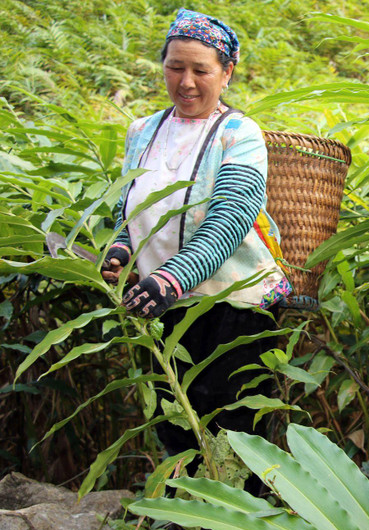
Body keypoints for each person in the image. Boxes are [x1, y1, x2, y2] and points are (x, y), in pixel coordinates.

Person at [100, 9, 291, 461]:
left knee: (233, 426)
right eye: (175, 67)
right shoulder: (142, 131)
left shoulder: (238, 134)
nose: (186, 82)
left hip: (233, 304)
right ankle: (184, 520)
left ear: (226, 73)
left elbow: (232, 216)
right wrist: (123, 250)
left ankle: (235, 527)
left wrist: (170, 278)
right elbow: (127, 207)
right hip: (164, 300)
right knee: (176, 420)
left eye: (200, 70)